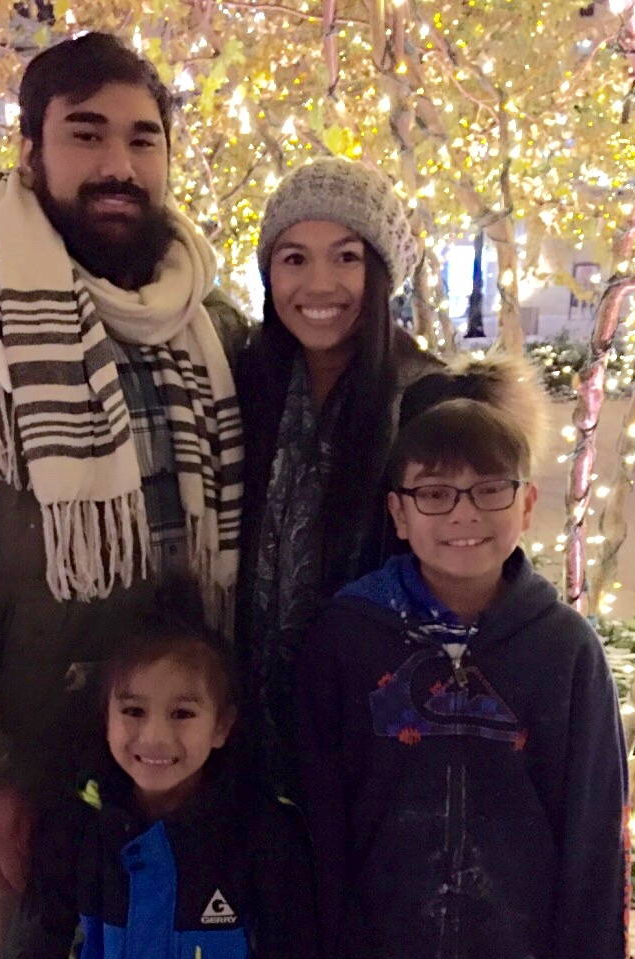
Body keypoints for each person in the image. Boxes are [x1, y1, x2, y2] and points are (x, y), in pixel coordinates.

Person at [0, 32, 245, 959]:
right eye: (86, 134)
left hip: (182, 768)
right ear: (30, 152)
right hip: (25, 774)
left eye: (143, 139)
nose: (118, 165)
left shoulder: (208, 328)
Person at [296, 353, 630, 959]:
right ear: (398, 513)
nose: (463, 513)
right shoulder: (348, 639)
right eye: (435, 493)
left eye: (489, 490)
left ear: (526, 505)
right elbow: (319, 818)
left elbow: (596, 836)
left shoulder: (564, 651)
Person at [236, 156, 441, 790]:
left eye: (347, 257)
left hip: (377, 747)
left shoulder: (428, 402)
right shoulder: (244, 385)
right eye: (294, 258)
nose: (319, 284)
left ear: (381, 273)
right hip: (244, 740)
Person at [1, 580, 322, 959]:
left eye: (182, 714)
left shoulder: (264, 833)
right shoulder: (74, 830)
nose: (154, 737)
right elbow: (35, 948)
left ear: (221, 726)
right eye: (134, 711)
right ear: (106, 717)